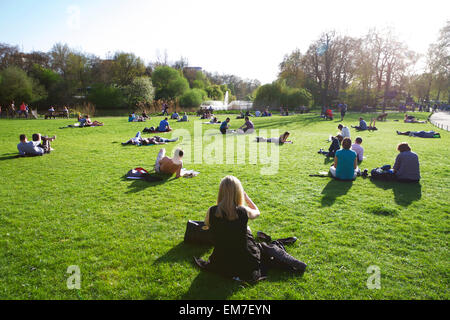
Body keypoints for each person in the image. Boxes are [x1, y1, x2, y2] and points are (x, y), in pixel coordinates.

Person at [195, 176, 264, 282]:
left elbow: (208, 225)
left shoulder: (212, 210)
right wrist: (247, 199)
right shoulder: (243, 210)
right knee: (246, 228)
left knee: (238, 229)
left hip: (220, 261)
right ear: (238, 192)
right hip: (244, 262)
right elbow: (257, 212)